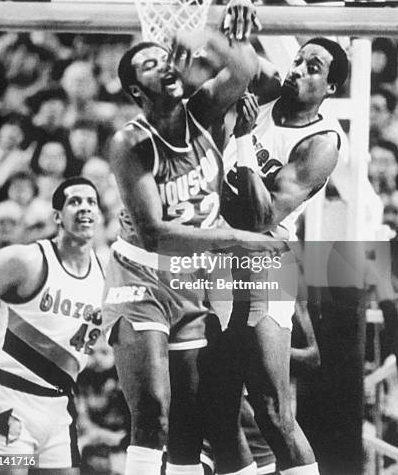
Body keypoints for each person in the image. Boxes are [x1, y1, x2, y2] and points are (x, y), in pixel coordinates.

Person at [102, 25, 277, 475]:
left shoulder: (201, 110)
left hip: (194, 277)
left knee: (190, 420)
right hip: (142, 276)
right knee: (153, 412)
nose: (163, 64)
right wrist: (237, 239)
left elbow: (244, 66)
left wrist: (205, 27)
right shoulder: (130, 143)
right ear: (136, 90)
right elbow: (154, 233)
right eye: (149, 64)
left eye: (165, 57)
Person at [219, 29, 349, 475]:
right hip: (212, 253)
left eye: (313, 68)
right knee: (215, 413)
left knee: (273, 414)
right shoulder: (269, 89)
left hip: (265, 259)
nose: (299, 71)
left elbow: (261, 218)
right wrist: (237, 15)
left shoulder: (322, 143)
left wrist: (243, 141)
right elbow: (236, 57)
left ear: (330, 88)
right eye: (299, 60)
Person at [0, 176, 105, 474]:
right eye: (74, 201)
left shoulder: (108, 275)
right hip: (7, 398)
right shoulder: (25, 260)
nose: (84, 208)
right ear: (56, 216)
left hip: (58, 406)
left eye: (91, 202)